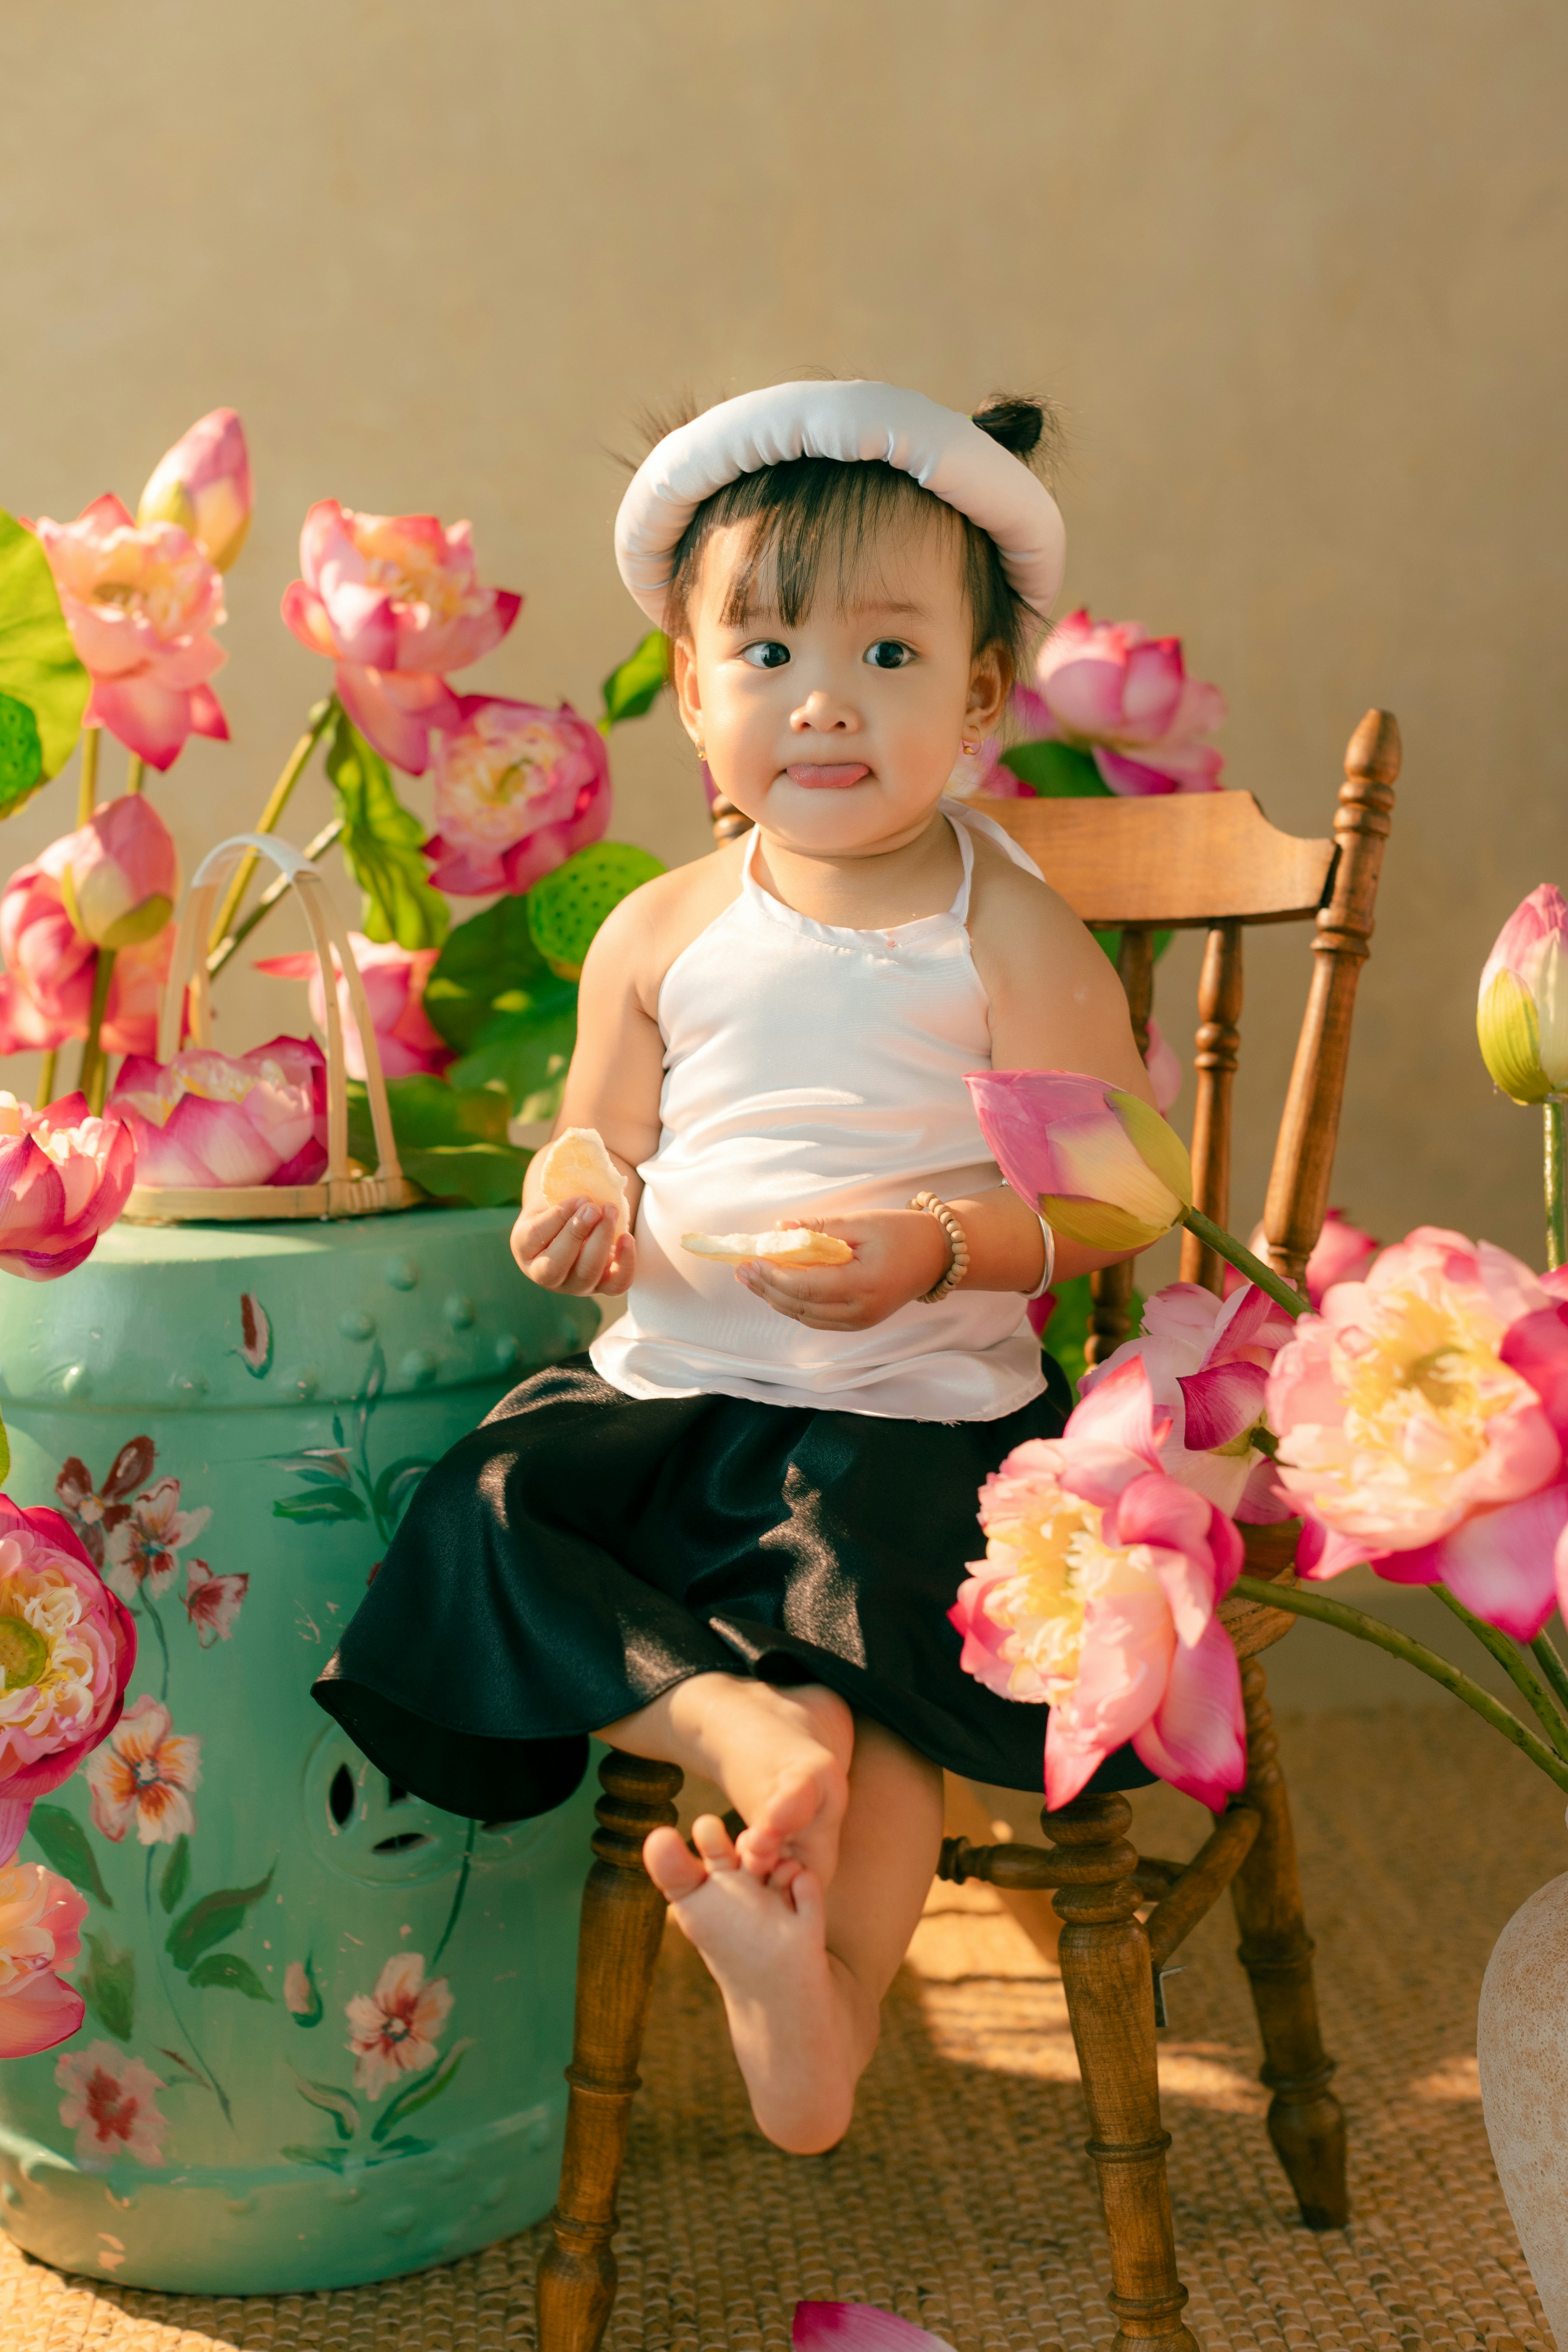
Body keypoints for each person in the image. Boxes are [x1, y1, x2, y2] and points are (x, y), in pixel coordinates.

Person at [314, 380, 1155, 2157]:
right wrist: (573, 1194)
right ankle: (736, 1730)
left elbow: (1123, 1196)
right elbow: (600, 1132)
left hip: (914, 1427)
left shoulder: (998, 922)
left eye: (888, 654)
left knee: (883, 1669)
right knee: (478, 1515)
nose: (823, 698)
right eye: (765, 654)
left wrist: (936, 1244)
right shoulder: (665, 927)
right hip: (673, 1403)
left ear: (983, 696)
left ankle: (818, 2007)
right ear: (695, 696)